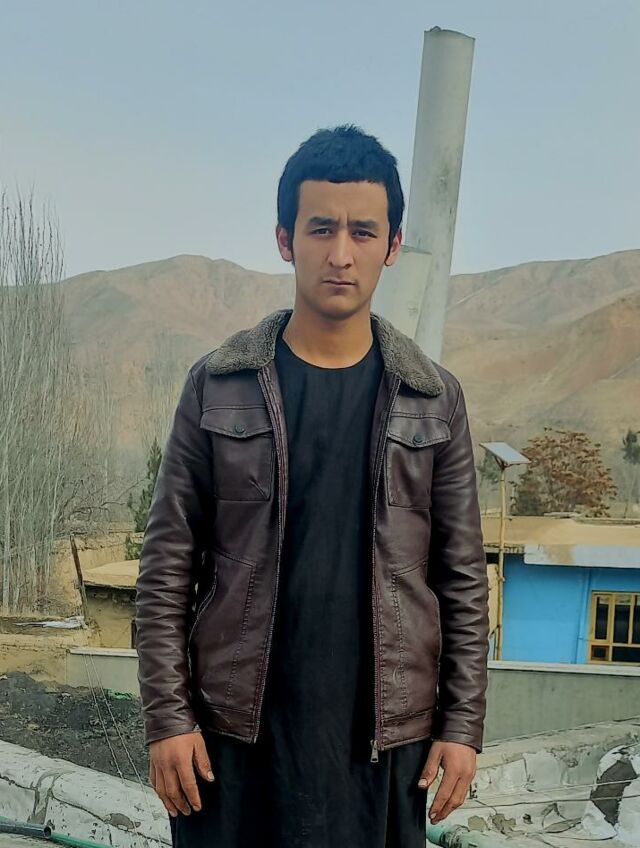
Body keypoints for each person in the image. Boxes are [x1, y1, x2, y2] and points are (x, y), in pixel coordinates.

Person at [135, 124, 489, 847]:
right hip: (231, 741)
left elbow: (460, 577)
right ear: (284, 239)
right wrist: (168, 718)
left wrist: (462, 726)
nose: (341, 253)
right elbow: (168, 564)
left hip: (381, 750)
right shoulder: (217, 386)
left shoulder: (433, 399)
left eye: (364, 231)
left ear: (392, 245)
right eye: (321, 228)